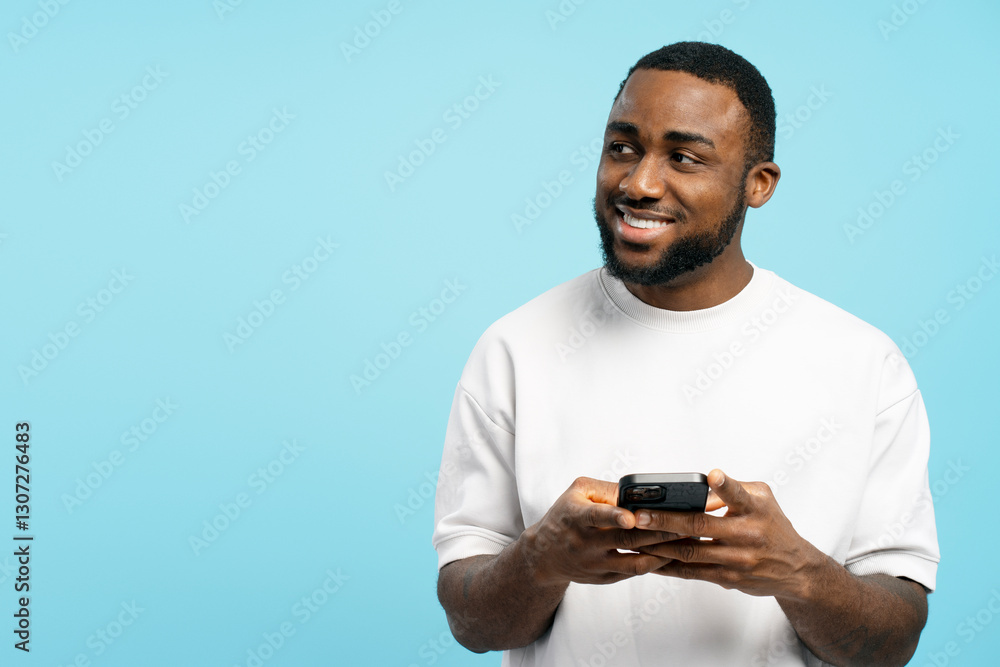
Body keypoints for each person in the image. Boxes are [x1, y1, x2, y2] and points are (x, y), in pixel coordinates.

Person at [431, 41, 939, 667]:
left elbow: (894, 642)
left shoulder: (863, 364)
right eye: (622, 148)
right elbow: (472, 624)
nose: (638, 184)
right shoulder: (514, 348)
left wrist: (797, 572)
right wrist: (542, 560)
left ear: (758, 184)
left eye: (684, 158)